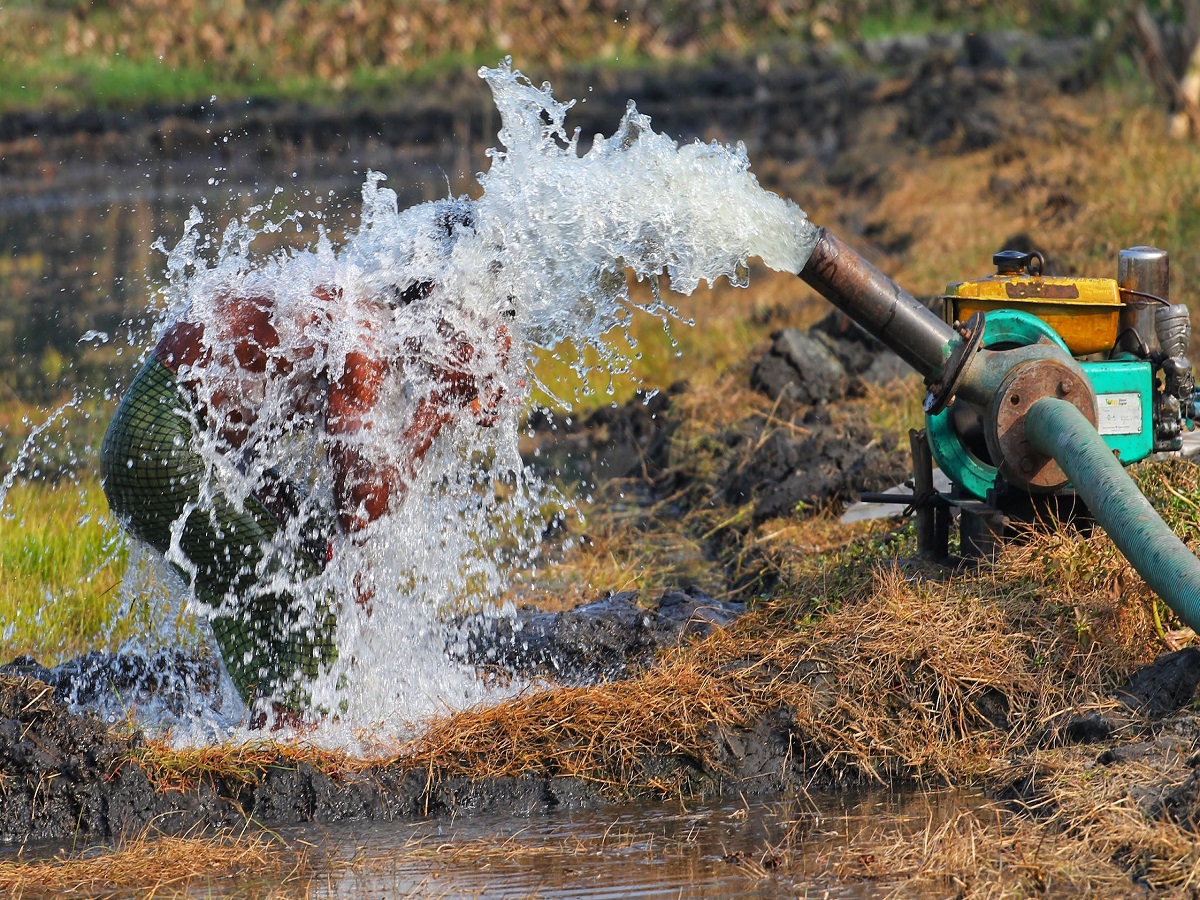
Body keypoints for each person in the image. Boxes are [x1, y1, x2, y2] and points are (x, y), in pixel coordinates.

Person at [100, 199, 511, 724]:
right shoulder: (361, 335)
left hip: (189, 441)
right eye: (466, 324)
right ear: (433, 300)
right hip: (160, 441)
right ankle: (288, 750)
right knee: (305, 597)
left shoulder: (358, 310)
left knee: (314, 553)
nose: (466, 341)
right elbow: (361, 509)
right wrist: (435, 405)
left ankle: (291, 726)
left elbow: (351, 528)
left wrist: (459, 399)